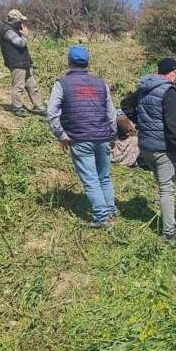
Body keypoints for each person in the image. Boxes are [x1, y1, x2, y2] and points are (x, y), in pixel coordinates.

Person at [47, 45, 117, 229]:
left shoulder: (62, 84)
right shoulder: (101, 84)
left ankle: (102, 218)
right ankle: (110, 211)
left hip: (79, 137)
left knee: (91, 179)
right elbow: (111, 113)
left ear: (69, 62)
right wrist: (113, 135)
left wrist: (61, 134)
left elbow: (51, 112)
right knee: (104, 177)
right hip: (103, 136)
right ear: (87, 63)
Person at [123, 57, 176, 244]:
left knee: (162, 185)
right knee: (167, 190)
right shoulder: (169, 91)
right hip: (162, 147)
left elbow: (126, 104)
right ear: (167, 72)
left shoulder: (145, 87)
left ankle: (169, 225)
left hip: (146, 146)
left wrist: (141, 122)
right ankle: (169, 234)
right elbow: (172, 125)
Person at [0, 9, 46, 117]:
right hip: (16, 62)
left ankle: (38, 105)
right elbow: (20, 43)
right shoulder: (7, 30)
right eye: (20, 20)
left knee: (31, 85)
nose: (22, 23)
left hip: (23, 62)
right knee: (18, 85)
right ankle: (17, 107)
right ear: (15, 19)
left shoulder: (13, 29)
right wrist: (25, 35)